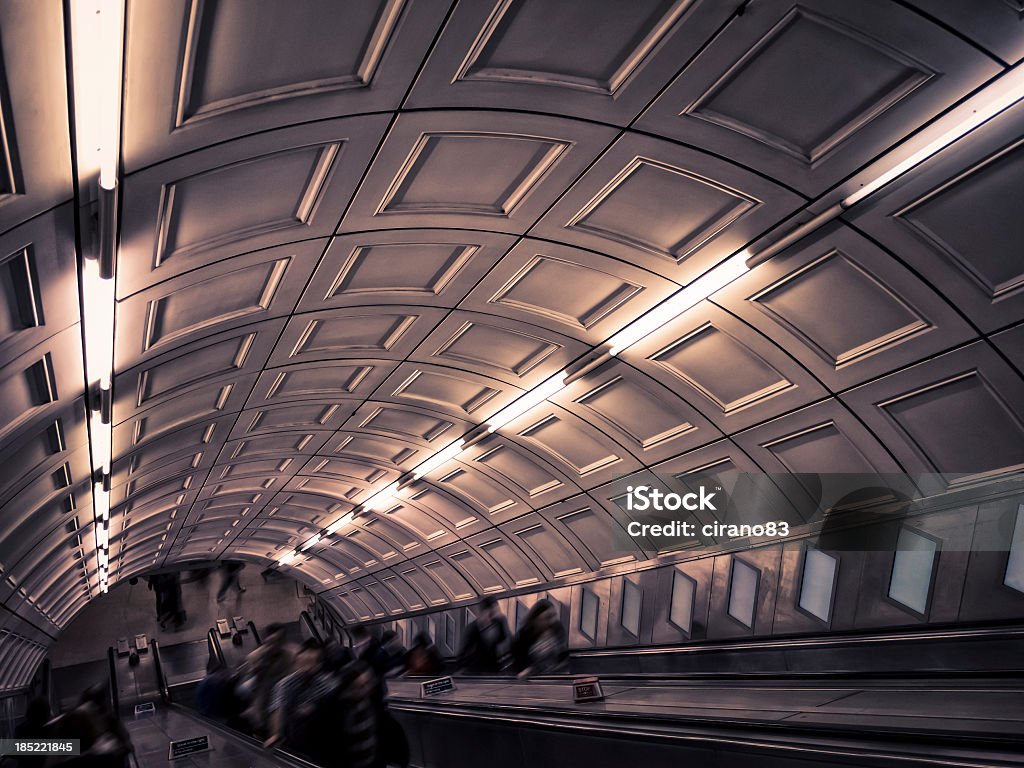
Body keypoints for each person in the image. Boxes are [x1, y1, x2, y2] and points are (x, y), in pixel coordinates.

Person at [265, 640, 335, 754]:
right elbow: (278, 708)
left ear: (319, 664)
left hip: (320, 739)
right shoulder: (285, 684)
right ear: (298, 660)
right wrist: (276, 734)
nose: (307, 667)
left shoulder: (325, 682)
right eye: (304, 661)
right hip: (295, 740)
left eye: (312, 662)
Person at [238, 623, 292, 736]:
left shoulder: (288, 656)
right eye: (273, 640)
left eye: (280, 640)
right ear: (266, 640)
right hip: (260, 709)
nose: (276, 644)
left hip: (281, 709)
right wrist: (255, 673)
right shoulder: (255, 657)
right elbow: (242, 689)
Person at [513, 599, 568, 677]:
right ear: (535, 619)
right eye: (547, 617)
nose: (551, 621)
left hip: (554, 678)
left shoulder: (557, 629)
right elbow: (519, 662)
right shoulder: (524, 634)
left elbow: (563, 656)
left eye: (553, 616)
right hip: (530, 680)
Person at [457, 596, 510, 675]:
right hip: (475, 672)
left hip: (494, 670)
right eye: (490, 614)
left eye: (495, 612)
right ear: (482, 612)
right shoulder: (472, 628)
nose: (493, 617)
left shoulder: (499, 623)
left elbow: (507, 641)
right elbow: (462, 653)